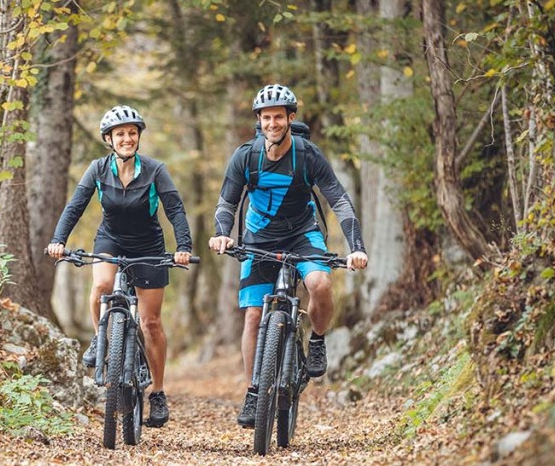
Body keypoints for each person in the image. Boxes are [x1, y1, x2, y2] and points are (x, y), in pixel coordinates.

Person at [208, 84, 368, 428]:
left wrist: (357, 247)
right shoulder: (245, 156)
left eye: (278, 117)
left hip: (302, 233)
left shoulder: (307, 155)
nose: (272, 123)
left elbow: (339, 201)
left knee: (321, 284)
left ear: (290, 118)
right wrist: (222, 234)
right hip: (258, 237)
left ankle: (318, 339)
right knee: (253, 316)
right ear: (259, 121)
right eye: (266, 117)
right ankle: (253, 391)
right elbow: (227, 203)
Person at [47, 105, 193, 428]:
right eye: (120, 134)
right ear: (109, 140)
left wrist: (183, 247)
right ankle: (101, 338)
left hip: (148, 246)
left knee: (150, 323)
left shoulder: (156, 171)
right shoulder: (98, 170)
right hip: (110, 239)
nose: (126, 139)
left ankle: (157, 392)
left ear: (138, 136)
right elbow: (75, 207)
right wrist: (58, 240)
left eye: (131, 133)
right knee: (101, 286)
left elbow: (176, 211)